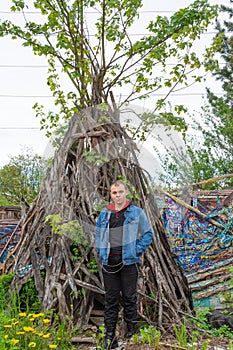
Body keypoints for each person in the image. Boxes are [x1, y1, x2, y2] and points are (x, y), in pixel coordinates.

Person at [95, 180, 153, 349]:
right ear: (111, 195)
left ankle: (132, 335)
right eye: (114, 192)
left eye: (120, 192)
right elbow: (99, 235)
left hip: (129, 263)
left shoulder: (136, 213)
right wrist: (101, 251)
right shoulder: (105, 214)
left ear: (126, 192)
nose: (117, 195)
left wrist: (136, 250)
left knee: (130, 298)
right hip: (109, 264)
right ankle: (110, 338)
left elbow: (148, 234)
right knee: (111, 300)